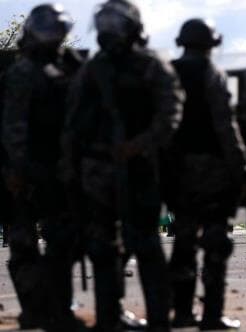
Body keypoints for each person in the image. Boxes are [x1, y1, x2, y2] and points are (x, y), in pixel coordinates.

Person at [62, 0, 184, 331]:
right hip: (99, 171)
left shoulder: (150, 66)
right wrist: (73, 168)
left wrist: (138, 145)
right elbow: (72, 124)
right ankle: (109, 317)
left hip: (140, 167)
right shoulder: (93, 69)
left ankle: (159, 318)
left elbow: (170, 114)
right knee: (103, 249)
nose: (108, 32)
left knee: (145, 244)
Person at [1, 4, 88, 331]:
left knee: (63, 241)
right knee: (24, 243)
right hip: (24, 170)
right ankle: (36, 309)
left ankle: (57, 308)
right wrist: (18, 170)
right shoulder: (23, 72)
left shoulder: (65, 68)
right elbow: (14, 128)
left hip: (57, 168)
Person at [166, 18, 246, 331]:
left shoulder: (168, 72)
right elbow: (225, 124)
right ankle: (212, 314)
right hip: (212, 169)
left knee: (184, 241)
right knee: (216, 242)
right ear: (210, 45)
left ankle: (182, 310)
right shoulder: (210, 73)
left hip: (178, 170)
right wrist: (240, 165)